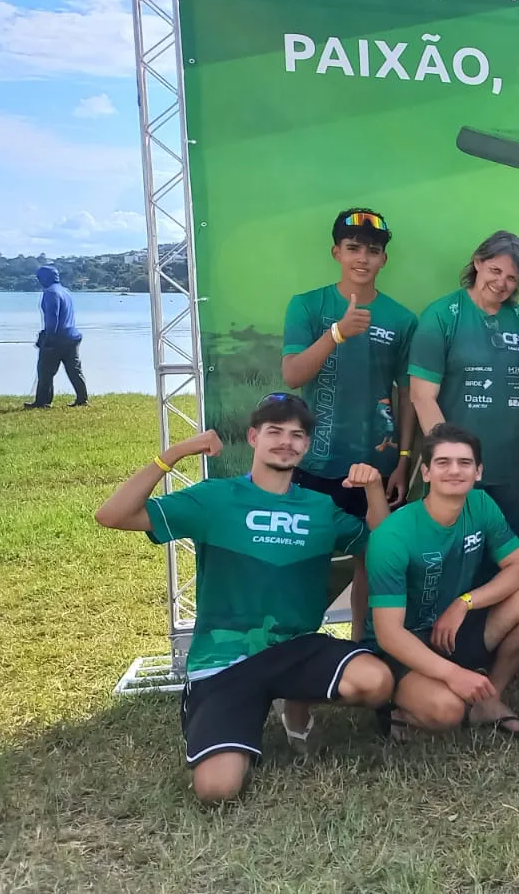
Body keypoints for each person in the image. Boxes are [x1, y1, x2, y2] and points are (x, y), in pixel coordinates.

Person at [93, 394, 394, 803]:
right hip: (224, 662)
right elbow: (112, 515)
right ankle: (228, 712)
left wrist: (374, 489)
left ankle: (295, 705)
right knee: (217, 790)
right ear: (254, 437)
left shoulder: (320, 507)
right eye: (275, 432)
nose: (286, 442)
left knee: (376, 682)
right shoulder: (214, 498)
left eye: (297, 435)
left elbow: (382, 548)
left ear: (306, 445)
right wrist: (174, 454)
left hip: (294, 649)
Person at [364, 424, 519, 739]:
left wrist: (464, 603)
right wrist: (454, 675)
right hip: (404, 645)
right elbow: (389, 635)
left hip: (454, 629)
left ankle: (489, 700)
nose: (455, 470)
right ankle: (396, 706)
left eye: (464, 462)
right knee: (447, 711)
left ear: (478, 471)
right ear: (426, 472)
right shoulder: (393, 535)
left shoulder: (480, 504)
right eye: (443, 462)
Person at [281, 207, 418, 640]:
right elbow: (292, 375)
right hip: (314, 464)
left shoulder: (401, 319)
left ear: (384, 260)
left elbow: (407, 395)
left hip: (376, 466)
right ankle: (298, 646)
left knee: (373, 562)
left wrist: (404, 459)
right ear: (336, 252)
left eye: (372, 251)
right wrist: (336, 333)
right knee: (305, 563)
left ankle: (359, 646)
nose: (362, 258)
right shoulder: (308, 305)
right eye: (353, 248)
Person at [409, 231, 519, 532]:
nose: (502, 282)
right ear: (478, 263)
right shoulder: (441, 316)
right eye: (495, 270)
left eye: (512, 277)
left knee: (507, 554)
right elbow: (421, 397)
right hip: (457, 472)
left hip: (512, 470)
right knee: (453, 552)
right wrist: (449, 461)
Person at [24, 265, 87, 409]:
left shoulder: (50, 293)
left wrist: (48, 338)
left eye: (39, 278)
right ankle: (82, 399)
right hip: (72, 336)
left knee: (45, 371)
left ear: (44, 279)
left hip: (57, 338)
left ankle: (43, 402)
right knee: (74, 370)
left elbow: (53, 317)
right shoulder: (65, 291)